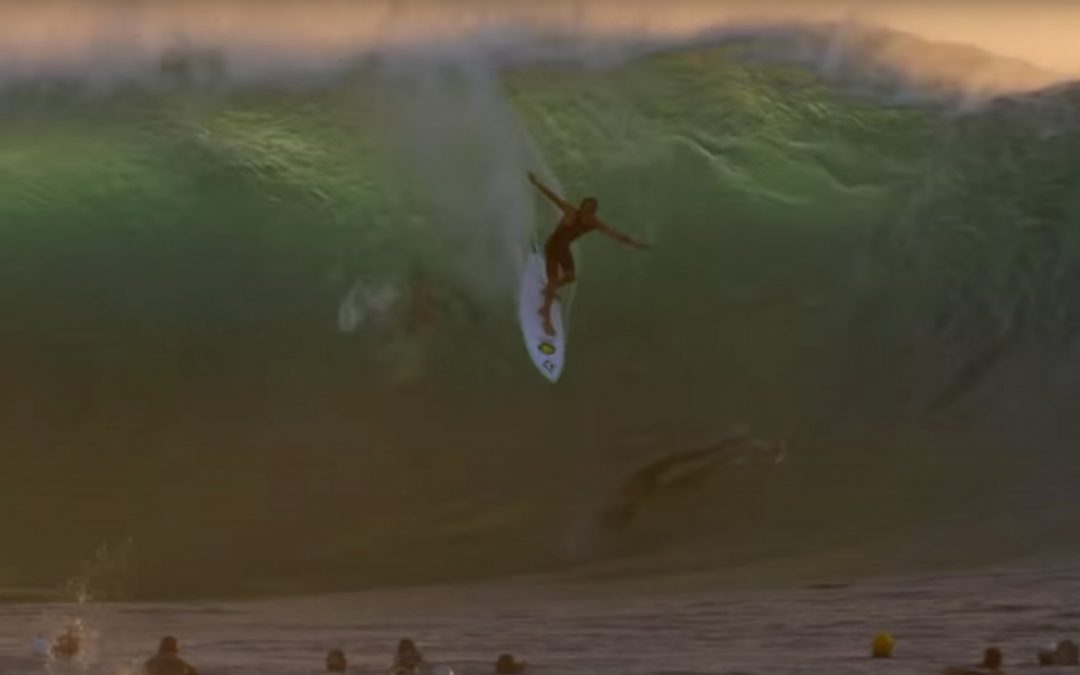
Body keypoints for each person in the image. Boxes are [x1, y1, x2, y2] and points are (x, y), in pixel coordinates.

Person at [527, 172, 651, 336]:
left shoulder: (594, 222)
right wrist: (536, 183)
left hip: (564, 250)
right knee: (552, 279)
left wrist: (636, 244)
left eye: (591, 211)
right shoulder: (570, 212)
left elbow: (614, 233)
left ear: (593, 212)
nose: (587, 214)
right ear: (581, 208)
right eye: (585, 210)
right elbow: (553, 197)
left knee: (570, 276)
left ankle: (549, 290)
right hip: (553, 248)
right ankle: (545, 317)